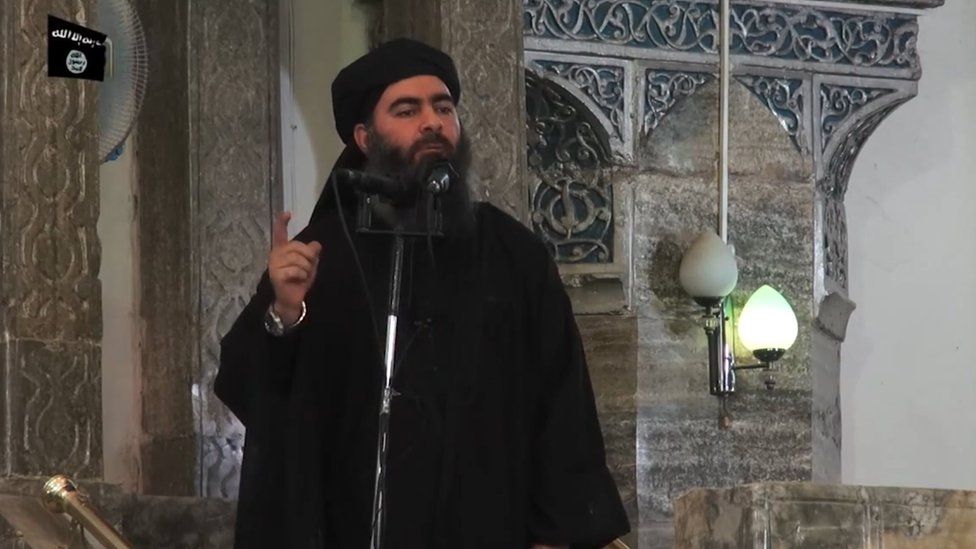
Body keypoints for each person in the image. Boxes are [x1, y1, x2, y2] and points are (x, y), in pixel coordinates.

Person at [215, 38, 629, 549]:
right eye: (407, 110)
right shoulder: (321, 256)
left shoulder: (513, 255)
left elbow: (563, 403)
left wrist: (555, 535)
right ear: (365, 137)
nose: (432, 121)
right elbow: (252, 391)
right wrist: (286, 311)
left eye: (443, 107)